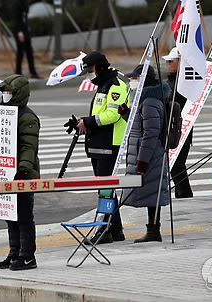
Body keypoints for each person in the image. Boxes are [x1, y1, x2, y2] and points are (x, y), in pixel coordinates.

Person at [0, 74, 41, 271]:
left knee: (23, 216)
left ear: (19, 94)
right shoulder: (3, 115)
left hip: (22, 174)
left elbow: (28, 146)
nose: (5, 95)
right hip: (5, 173)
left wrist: (23, 168)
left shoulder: (26, 117)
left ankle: (27, 256)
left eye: (9, 92)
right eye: (4, 92)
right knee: (10, 215)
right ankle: (14, 253)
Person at [76, 51, 127, 244]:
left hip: (109, 143)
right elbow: (100, 113)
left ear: (100, 67)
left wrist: (88, 122)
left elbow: (113, 116)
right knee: (106, 189)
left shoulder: (116, 86)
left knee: (105, 190)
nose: (89, 74)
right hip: (98, 143)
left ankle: (104, 231)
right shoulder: (103, 86)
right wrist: (81, 123)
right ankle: (116, 230)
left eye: (90, 70)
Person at [121, 64, 170, 243]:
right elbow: (138, 124)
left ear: (144, 80)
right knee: (151, 192)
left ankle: (154, 231)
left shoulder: (149, 100)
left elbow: (151, 132)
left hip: (151, 154)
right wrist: (126, 114)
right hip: (145, 152)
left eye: (135, 78)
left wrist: (143, 159)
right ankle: (153, 230)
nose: (132, 82)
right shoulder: (142, 98)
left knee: (153, 192)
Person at [163, 47, 193, 198]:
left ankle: (184, 194)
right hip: (169, 130)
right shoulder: (168, 82)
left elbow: (176, 103)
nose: (168, 64)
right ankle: (182, 194)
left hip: (181, 130)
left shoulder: (184, 83)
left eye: (171, 61)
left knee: (177, 165)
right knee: (175, 165)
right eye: (167, 61)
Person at [13, 0, 40, 78]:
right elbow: (16, 19)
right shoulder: (16, 4)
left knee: (30, 52)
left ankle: (33, 72)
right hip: (19, 30)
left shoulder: (25, 3)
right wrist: (19, 31)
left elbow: (25, 16)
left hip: (25, 30)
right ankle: (18, 72)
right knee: (20, 53)